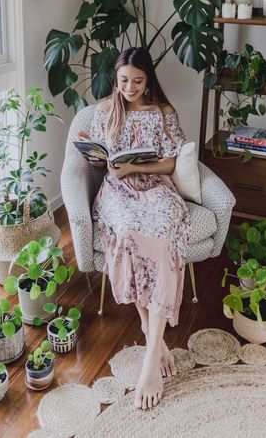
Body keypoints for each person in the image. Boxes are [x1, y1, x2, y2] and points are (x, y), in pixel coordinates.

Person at [79, 47, 190, 410]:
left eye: (138, 81)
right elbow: (93, 154)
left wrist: (134, 169)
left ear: (149, 80)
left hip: (155, 189)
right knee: (126, 234)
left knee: (161, 241)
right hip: (117, 193)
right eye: (124, 80)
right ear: (116, 77)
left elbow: (171, 163)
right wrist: (101, 159)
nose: (130, 87)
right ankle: (154, 340)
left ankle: (149, 355)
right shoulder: (104, 112)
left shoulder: (163, 113)